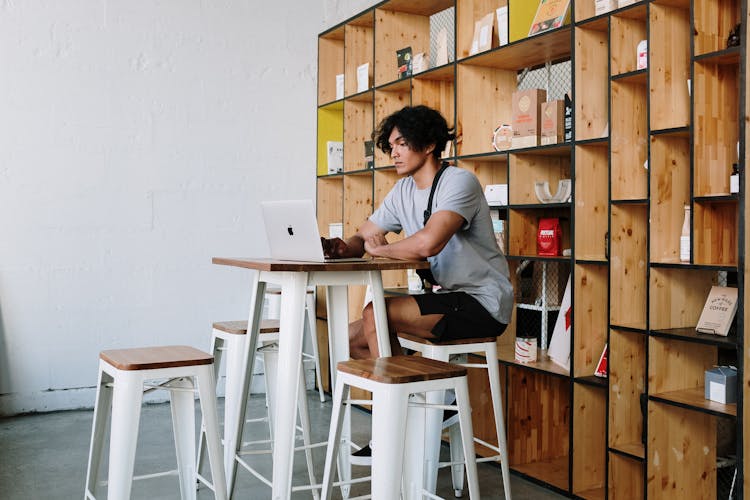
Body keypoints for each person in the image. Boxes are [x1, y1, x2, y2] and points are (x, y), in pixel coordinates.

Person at [322, 105, 513, 360]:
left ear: (429, 145)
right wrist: (344, 248)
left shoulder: (458, 182)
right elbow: (362, 236)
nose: (394, 153)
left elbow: (428, 244)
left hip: (483, 302)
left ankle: (398, 396)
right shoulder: (403, 191)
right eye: (391, 146)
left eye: (402, 144)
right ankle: (408, 398)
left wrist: (381, 250)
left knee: (374, 314)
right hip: (447, 297)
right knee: (347, 341)